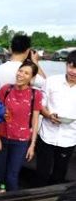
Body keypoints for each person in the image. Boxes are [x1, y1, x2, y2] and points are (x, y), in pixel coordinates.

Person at [0, 60, 43, 192]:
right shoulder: (6, 89)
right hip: (2, 138)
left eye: (26, 73)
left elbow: (35, 121)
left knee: (12, 176)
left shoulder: (35, 94)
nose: (21, 75)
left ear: (32, 78)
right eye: (20, 71)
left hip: (21, 141)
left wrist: (32, 145)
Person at [35, 50, 76, 186]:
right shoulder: (52, 81)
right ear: (66, 65)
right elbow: (40, 105)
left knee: (59, 174)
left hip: (69, 138)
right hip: (47, 135)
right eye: (71, 67)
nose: (73, 72)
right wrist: (48, 115)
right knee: (41, 172)